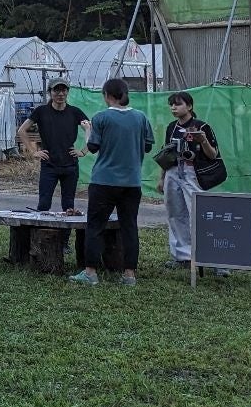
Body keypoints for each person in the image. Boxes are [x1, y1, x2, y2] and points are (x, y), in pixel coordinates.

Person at [74, 78, 153, 286]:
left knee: (95, 226)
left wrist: (88, 130)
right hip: (132, 182)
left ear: (107, 95)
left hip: (104, 181)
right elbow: (147, 147)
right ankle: (129, 275)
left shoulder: (101, 117)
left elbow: (92, 147)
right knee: (129, 226)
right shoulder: (140, 117)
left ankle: (90, 272)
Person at [157, 90, 220, 266]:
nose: (173, 107)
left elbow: (213, 155)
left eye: (178, 104)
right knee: (175, 213)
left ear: (190, 106)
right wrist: (162, 178)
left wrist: (203, 141)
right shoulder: (172, 127)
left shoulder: (202, 126)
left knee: (198, 213)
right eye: (171, 104)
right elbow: (166, 153)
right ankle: (182, 256)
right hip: (173, 171)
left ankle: (209, 255)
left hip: (193, 173)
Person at [17, 82, 90, 214]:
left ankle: (65, 234)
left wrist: (83, 151)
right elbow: (22, 130)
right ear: (50, 92)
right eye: (56, 90)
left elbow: (91, 129)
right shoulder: (41, 111)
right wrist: (34, 152)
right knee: (44, 204)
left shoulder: (75, 112)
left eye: (64, 90)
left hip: (70, 166)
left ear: (67, 92)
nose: (60, 94)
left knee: (68, 206)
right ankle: (40, 233)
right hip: (49, 164)